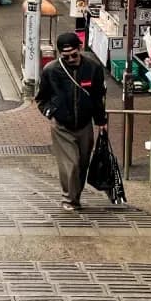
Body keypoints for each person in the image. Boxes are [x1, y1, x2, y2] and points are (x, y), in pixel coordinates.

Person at [35, 32, 108, 211]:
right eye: (65, 56)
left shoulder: (93, 68)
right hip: (62, 125)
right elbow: (41, 98)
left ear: (80, 48)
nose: (71, 59)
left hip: (85, 124)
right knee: (71, 163)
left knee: (83, 162)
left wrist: (101, 120)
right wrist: (51, 112)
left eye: (74, 55)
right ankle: (69, 198)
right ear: (60, 54)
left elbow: (98, 96)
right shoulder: (51, 70)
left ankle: (75, 196)